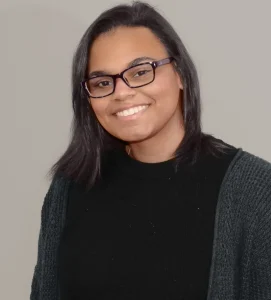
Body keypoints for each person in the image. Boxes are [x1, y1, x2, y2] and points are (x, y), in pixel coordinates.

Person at [30, 1, 271, 300]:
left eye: (141, 72)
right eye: (103, 82)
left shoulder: (256, 191)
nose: (122, 92)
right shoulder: (69, 188)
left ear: (180, 73)